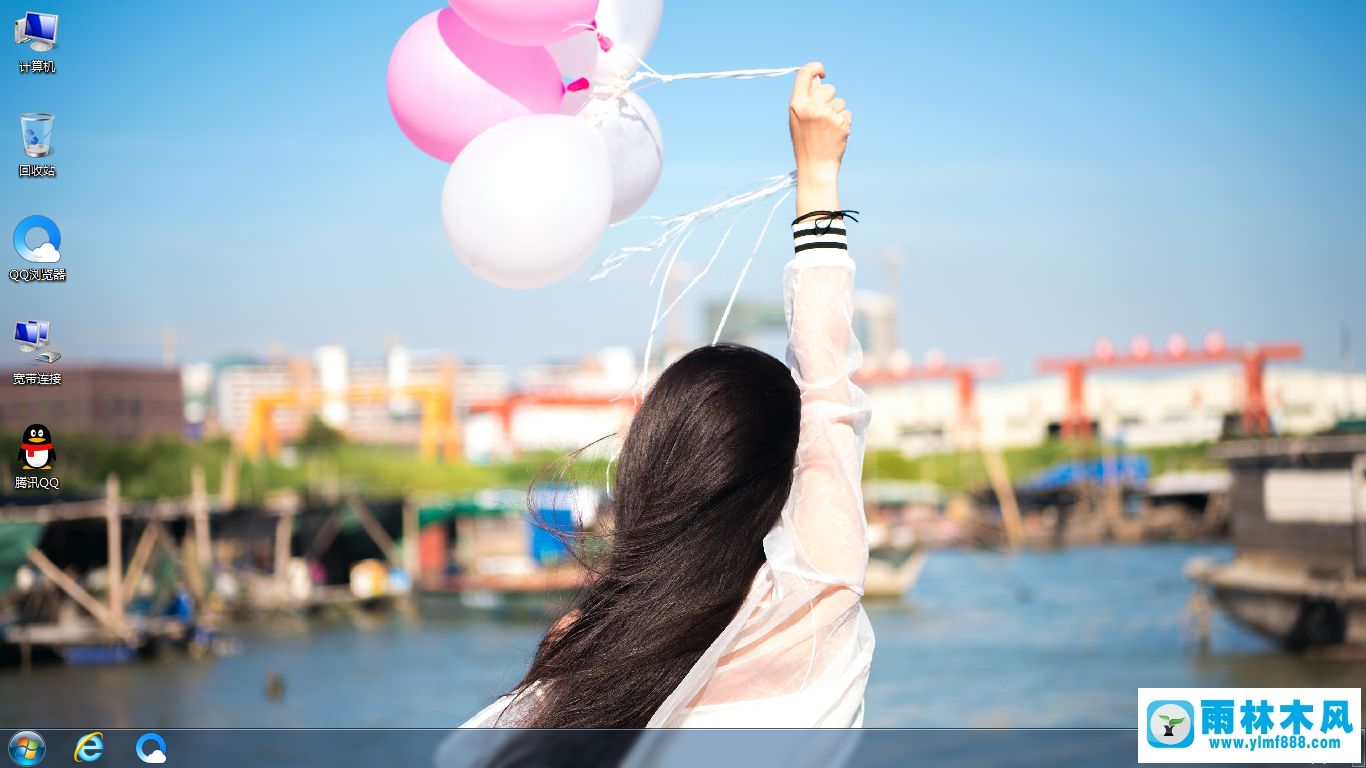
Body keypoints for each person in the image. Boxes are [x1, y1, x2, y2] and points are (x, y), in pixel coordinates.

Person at [463, 61, 871, 730]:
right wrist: (818, 178)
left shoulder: (584, 657)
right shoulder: (808, 616)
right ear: (776, 480)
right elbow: (830, 397)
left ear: (649, 469)